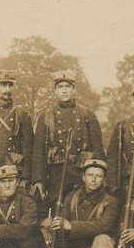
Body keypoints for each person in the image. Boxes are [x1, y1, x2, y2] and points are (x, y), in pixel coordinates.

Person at [42, 158, 123, 248]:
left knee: (103, 238)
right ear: (83, 177)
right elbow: (63, 223)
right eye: (90, 175)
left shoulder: (111, 201)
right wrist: (55, 225)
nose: (93, 179)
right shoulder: (70, 197)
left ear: (104, 179)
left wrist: (71, 226)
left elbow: (104, 226)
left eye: (98, 176)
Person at [31, 70, 104, 210]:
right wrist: (38, 180)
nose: (64, 91)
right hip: (54, 175)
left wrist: (100, 175)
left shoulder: (88, 115)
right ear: (55, 91)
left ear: (74, 89)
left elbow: (97, 149)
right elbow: (38, 151)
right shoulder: (45, 117)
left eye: (67, 87)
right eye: (60, 87)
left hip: (81, 174)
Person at [0, 70, 34, 190]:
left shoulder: (21, 114)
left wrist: (25, 177)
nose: (7, 89)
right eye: (3, 85)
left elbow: (28, 149)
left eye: (10, 85)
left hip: (13, 174)